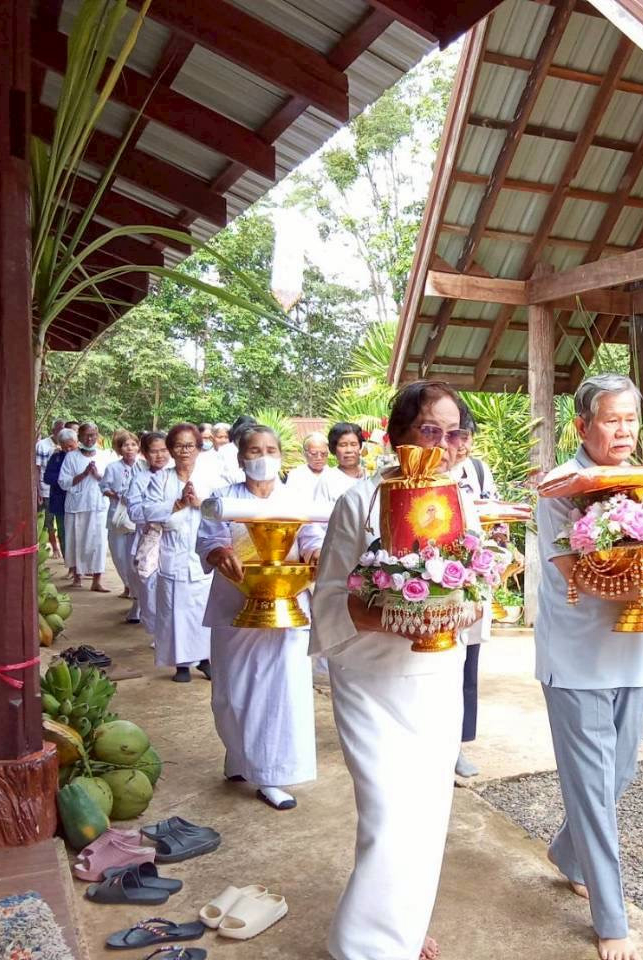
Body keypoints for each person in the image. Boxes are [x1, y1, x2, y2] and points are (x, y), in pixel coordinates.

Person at [312, 379, 485, 960]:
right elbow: (329, 597)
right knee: (387, 813)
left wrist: (470, 598)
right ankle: (363, 947)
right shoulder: (357, 501)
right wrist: (388, 614)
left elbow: (475, 592)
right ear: (396, 436)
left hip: (435, 677)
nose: (441, 444)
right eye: (427, 431)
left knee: (428, 810)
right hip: (369, 678)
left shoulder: (462, 502)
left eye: (451, 432)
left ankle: (402, 929)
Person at [536, 373, 643, 960]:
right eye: (611, 419)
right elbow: (573, 573)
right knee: (592, 792)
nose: (624, 430)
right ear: (582, 425)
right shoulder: (559, 486)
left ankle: (568, 851)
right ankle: (611, 919)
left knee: (620, 775)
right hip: (577, 659)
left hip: (631, 650)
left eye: (630, 418)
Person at [198, 425, 319, 810]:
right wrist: (219, 552)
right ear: (240, 458)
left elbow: (312, 536)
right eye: (253, 450)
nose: (262, 456)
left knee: (280, 690)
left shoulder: (297, 498)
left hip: (287, 604)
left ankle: (271, 775)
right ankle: (239, 756)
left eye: (270, 449)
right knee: (232, 692)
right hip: (236, 605)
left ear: (282, 456)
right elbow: (209, 539)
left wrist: (315, 554)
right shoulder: (223, 500)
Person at [128, 423, 212, 682]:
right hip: (172, 552)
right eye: (178, 446)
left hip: (201, 553)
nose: (184, 451)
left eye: (190, 445)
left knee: (203, 609)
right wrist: (177, 503)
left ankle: (207, 659)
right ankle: (182, 664)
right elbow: (142, 511)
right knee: (174, 611)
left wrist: (200, 503)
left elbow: (223, 511)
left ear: (198, 448)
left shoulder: (211, 478)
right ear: (171, 450)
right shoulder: (160, 479)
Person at [446, 407, 498, 780]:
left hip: (473, 583)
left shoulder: (478, 472)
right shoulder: (425, 472)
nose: (461, 444)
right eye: (454, 435)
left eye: (466, 436)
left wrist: (499, 549)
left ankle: (458, 746)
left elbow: (496, 521)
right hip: (433, 584)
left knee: (468, 665)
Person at [126, 431, 171, 641]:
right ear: (144, 453)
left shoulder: (176, 475)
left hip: (174, 539)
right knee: (150, 588)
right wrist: (154, 515)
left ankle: (171, 633)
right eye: (154, 451)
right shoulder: (140, 479)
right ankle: (158, 633)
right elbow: (134, 512)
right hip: (150, 539)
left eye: (164, 450)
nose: (160, 455)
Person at [58, 421, 110, 592]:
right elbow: (63, 482)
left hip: (98, 505)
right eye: (86, 435)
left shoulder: (104, 456)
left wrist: (96, 475)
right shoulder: (71, 457)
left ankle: (97, 580)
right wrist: (84, 474)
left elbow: (111, 481)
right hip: (76, 505)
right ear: (79, 437)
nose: (90, 438)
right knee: (76, 540)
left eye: (93, 434)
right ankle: (77, 576)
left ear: (98, 435)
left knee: (98, 542)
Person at [102, 430, 145, 620]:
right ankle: (128, 585)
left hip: (138, 519)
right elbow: (104, 487)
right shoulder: (113, 468)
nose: (130, 448)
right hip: (118, 517)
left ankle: (138, 603)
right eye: (125, 445)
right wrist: (118, 496)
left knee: (135, 559)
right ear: (119, 449)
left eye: (133, 444)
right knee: (120, 557)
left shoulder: (144, 467)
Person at [43, 429, 78, 564]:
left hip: (78, 501)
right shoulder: (56, 457)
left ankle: (82, 567)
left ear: (76, 442)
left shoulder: (83, 456)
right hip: (60, 501)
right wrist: (64, 479)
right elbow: (47, 477)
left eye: (71, 446)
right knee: (64, 534)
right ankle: (69, 564)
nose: (68, 449)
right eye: (65, 447)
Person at [36, 419, 64, 557]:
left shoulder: (69, 445)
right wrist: (37, 490)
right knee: (48, 519)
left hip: (63, 489)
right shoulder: (42, 445)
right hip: (46, 488)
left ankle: (65, 548)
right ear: (53, 431)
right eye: (59, 430)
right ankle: (54, 547)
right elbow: (37, 468)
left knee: (63, 520)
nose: (61, 433)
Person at [287, 431, 331, 496]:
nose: (319, 458)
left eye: (323, 454)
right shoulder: (296, 475)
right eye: (314, 454)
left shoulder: (334, 475)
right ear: (305, 453)